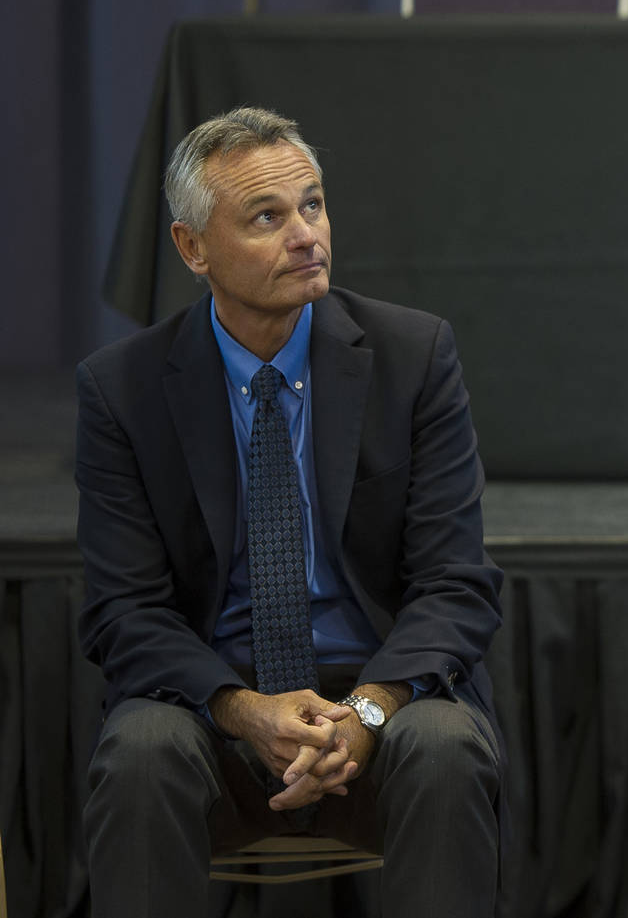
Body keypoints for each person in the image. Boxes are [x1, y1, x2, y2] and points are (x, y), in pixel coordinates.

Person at [76, 107, 503, 916]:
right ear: (191, 247)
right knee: (138, 751)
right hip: (213, 709)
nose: (306, 235)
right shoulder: (121, 389)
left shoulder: (413, 357)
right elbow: (123, 611)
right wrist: (243, 710)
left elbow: (457, 583)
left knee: (447, 746)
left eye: (312, 204)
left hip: (382, 703)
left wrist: (370, 710)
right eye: (267, 217)